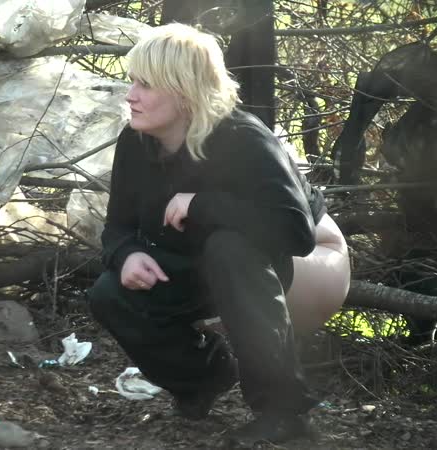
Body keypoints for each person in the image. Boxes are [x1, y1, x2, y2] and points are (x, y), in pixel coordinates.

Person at [87, 23, 349, 445]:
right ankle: (204, 377)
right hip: (208, 260)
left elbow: (296, 233)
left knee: (230, 248)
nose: (130, 95)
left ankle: (285, 414)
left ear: (184, 91)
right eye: (132, 81)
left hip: (314, 263)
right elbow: (117, 226)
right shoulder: (136, 142)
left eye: (145, 85)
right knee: (109, 293)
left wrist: (200, 204)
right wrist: (127, 254)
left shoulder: (244, 139)